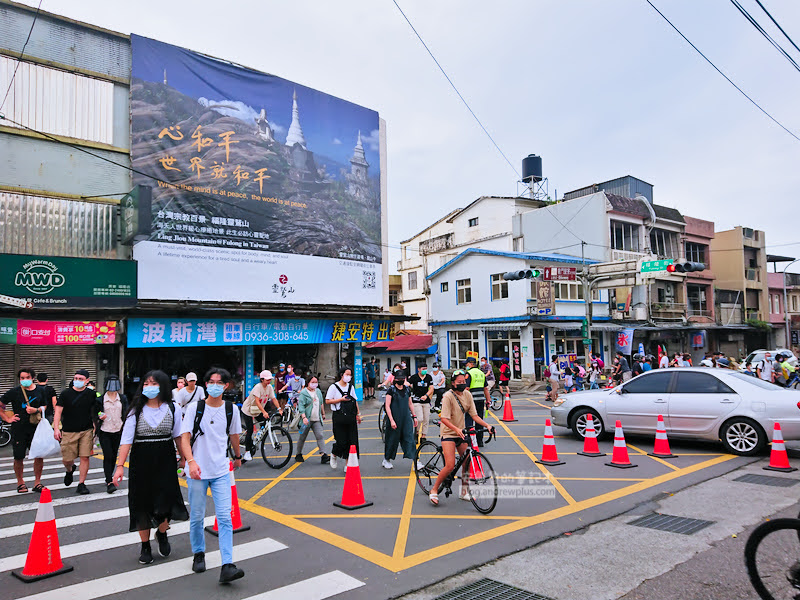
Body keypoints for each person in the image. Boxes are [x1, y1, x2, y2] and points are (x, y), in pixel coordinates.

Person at [113, 370, 188, 565]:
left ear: (162, 386)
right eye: (146, 384)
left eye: (153, 384)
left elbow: (179, 436)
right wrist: (120, 466)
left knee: (166, 502)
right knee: (142, 504)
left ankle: (162, 533)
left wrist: (185, 459)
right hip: (141, 462)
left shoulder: (173, 408)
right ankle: (145, 545)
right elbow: (126, 441)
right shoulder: (135, 410)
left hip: (165, 460)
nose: (149, 387)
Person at [180, 368, 245, 584]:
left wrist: (237, 456)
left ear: (226, 386)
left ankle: (227, 564)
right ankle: (199, 553)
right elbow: (185, 438)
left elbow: (234, 434)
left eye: (220, 382)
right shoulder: (194, 408)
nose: (215, 385)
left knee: (225, 518)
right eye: (211, 381)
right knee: (197, 516)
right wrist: (191, 462)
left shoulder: (230, 409)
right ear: (206, 384)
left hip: (220, 471)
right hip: (197, 472)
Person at [429, 370, 495, 506]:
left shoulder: (467, 394)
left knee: (466, 463)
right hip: (448, 432)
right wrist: (456, 429)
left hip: (461, 432)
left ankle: (464, 491)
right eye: (459, 382)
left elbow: (475, 416)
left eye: (463, 382)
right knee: (450, 465)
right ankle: (434, 489)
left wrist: (487, 425)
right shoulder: (448, 396)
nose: (462, 384)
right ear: (453, 383)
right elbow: (444, 418)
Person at [0, 368, 46, 493]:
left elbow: (45, 405)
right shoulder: (14, 392)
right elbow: (1, 404)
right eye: (22, 378)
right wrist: (7, 418)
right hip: (19, 428)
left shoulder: (41, 391)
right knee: (19, 456)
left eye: (27, 377)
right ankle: (20, 482)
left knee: (38, 455)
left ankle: (37, 482)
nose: (25, 380)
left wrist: (36, 410)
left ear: (33, 378)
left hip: (36, 428)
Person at [54, 369, 97, 495]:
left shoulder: (91, 394)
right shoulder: (65, 394)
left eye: (81, 379)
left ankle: (81, 483)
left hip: (86, 430)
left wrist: (96, 427)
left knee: (85, 457)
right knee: (67, 459)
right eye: (76, 378)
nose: (77, 381)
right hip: (68, 431)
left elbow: (96, 411)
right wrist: (56, 428)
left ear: (87, 381)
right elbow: (58, 412)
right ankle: (70, 469)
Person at [95, 375, 128, 493]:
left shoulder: (123, 398)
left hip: (118, 430)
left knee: (114, 455)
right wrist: (100, 416)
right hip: (105, 430)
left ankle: (109, 475)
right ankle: (109, 481)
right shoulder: (100, 399)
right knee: (108, 455)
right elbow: (95, 412)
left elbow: (126, 412)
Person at [325, 367, 362, 471]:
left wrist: (358, 414)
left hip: (350, 416)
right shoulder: (333, 387)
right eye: (347, 374)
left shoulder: (351, 387)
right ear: (341, 374)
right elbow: (327, 401)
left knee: (352, 441)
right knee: (341, 440)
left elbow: (354, 401)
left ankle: (347, 463)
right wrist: (340, 400)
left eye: (350, 375)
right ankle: (334, 453)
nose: (349, 377)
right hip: (338, 416)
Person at [240, 370, 280, 462]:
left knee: (266, 422)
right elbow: (257, 401)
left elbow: (273, 398)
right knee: (249, 430)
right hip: (248, 410)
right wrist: (264, 412)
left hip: (257, 410)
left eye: (270, 379)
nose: (269, 381)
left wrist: (279, 408)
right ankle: (247, 452)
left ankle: (258, 439)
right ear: (262, 379)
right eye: (267, 380)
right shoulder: (258, 387)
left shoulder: (269, 387)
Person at [382, 369, 417, 469]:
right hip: (394, 419)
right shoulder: (391, 390)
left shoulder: (407, 390)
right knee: (392, 440)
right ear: (395, 379)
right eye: (399, 379)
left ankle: (415, 460)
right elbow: (387, 406)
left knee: (410, 439)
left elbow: (410, 403)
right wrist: (391, 420)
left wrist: (414, 416)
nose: (401, 380)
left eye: (402, 378)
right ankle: (386, 459)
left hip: (406, 419)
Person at [295, 376, 327, 463]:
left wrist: (323, 414)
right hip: (306, 420)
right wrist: (304, 417)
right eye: (313, 382)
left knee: (320, 436)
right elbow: (301, 406)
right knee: (302, 437)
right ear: (308, 382)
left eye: (316, 382)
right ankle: (298, 454)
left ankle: (323, 455)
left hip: (316, 419)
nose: (314, 384)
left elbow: (321, 403)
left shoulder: (318, 391)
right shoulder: (303, 393)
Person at [464, 357, 490, 447]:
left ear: (470, 364)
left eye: (466, 364)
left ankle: (470, 440)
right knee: (479, 420)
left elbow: (466, 388)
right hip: (481, 400)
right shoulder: (481, 373)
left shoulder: (469, 373)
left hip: (471, 400)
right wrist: (488, 400)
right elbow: (485, 388)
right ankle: (480, 441)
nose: (466, 366)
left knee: (469, 419)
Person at [408, 364, 433, 443]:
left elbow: (431, 388)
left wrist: (426, 395)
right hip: (416, 400)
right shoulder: (414, 377)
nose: (424, 370)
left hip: (426, 401)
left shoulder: (428, 377)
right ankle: (417, 432)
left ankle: (423, 436)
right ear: (418, 369)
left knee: (426, 419)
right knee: (419, 418)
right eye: (423, 369)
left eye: (426, 368)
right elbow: (407, 383)